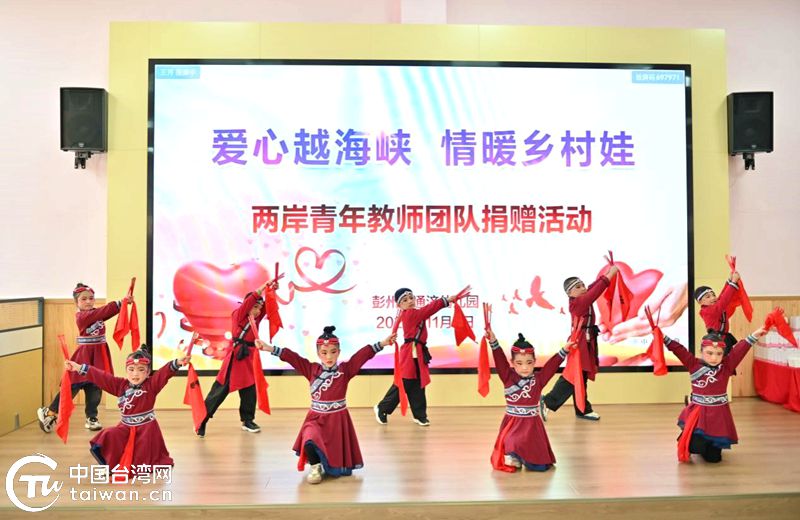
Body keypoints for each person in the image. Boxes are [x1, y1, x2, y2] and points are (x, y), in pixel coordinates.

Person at [257, 326, 396, 484]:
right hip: (315, 418)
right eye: (324, 352)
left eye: (333, 352)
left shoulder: (345, 370)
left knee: (334, 451)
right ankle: (315, 467)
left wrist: (383, 343)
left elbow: (361, 356)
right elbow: (292, 357)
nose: (329, 356)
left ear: (339, 352)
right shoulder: (311, 369)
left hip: (338, 419)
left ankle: (329, 464)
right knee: (309, 437)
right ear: (318, 354)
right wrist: (269, 348)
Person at [64, 346, 191, 472]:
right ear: (126, 370)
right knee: (108, 434)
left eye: (141, 370)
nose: (135, 374)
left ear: (148, 373)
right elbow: (101, 376)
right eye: (131, 369)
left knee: (142, 461)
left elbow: (164, 373)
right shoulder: (120, 385)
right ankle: (111, 465)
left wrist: (177, 363)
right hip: (125, 428)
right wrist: (78, 367)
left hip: (146, 431)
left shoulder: (151, 385)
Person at [37, 283, 128, 433]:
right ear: (76, 302)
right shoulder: (81, 316)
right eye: (84, 299)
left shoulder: (96, 313)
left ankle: (92, 417)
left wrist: (123, 305)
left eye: (91, 298)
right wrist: (120, 302)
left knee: (96, 385)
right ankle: (50, 412)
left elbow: (106, 313)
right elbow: (103, 312)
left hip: (98, 355)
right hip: (84, 355)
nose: (88, 301)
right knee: (72, 386)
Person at [665, 327, 766, 463]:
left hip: (718, 415)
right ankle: (691, 435)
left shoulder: (727, 367)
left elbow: (739, 350)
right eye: (709, 353)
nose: (714, 358)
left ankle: (707, 445)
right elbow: (679, 350)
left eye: (719, 354)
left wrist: (755, 335)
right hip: (699, 414)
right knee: (694, 448)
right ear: (701, 352)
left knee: (714, 459)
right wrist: (662, 337)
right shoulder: (693, 364)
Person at [374, 286, 467, 427]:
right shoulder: (410, 314)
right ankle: (382, 408)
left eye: (411, 298)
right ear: (399, 305)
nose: (410, 301)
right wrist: (446, 300)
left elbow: (425, 311)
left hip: (417, 353)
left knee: (418, 385)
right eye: (405, 300)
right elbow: (428, 309)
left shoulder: (413, 313)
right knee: (404, 383)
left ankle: (420, 415)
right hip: (409, 355)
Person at [486, 327, 574, 472]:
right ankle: (513, 455)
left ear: (534, 362)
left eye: (529, 362)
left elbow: (551, 367)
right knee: (513, 441)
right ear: (512, 362)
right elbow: (500, 360)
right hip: (513, 423)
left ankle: (524, 457)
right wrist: (493, 341)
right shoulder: (507, 377)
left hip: (532, 425)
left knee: (539, 467)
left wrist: (564, 350)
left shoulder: (539, 379)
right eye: (519, 363)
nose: (525, 368)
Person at [197, 280, 276, 437]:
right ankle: (201, 419)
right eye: (255, 307)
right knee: (219, 391)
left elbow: (269, 307)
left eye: (259, 307)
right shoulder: (238, 315)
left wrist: (271, 291)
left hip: (250, 359)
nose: (258, 310)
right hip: (236, 359)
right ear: (247, 305)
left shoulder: (256, 318)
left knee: (249, 391)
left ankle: (248, 420)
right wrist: (262, 287)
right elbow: (250, 302)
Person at [541, 265, 618, 421]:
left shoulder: (581, 297)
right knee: (574, 375)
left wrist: (605, 274)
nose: (583, 288)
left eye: (583, 285)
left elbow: (592, 288)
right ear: (569, 293)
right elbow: (595, 292)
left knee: (581, 376)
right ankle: (548, 401)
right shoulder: (578, 303)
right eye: (578, 287)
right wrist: (610, 275)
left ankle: (582, 409)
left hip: (585, 341)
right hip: (579, 342)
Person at [694, 271, 742, 354]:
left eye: (713, 295)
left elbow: (721, 297)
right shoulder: (708, 311)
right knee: (724, 361)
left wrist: (729, 282)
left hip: (721, 339)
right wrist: (733, 282)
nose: (713, 298)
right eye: (708, 297)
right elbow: (724, 300)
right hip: (717, 341)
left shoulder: (712, 307)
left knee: (728, 360)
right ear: (700, 302)